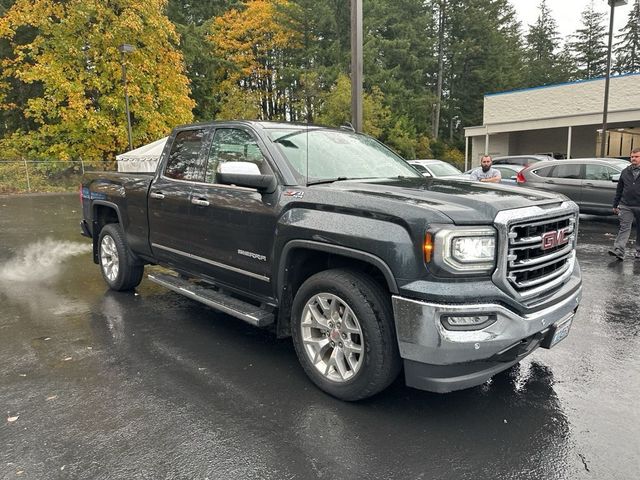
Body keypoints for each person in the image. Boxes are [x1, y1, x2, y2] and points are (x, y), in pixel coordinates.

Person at [608, 147, 640, 260]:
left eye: (636, 157)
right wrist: (615, 205)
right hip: (626, 205)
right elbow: (619, 190)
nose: (633, 159)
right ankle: (619, 250)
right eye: (632, 157)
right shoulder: (625, 172)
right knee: (624, 228)